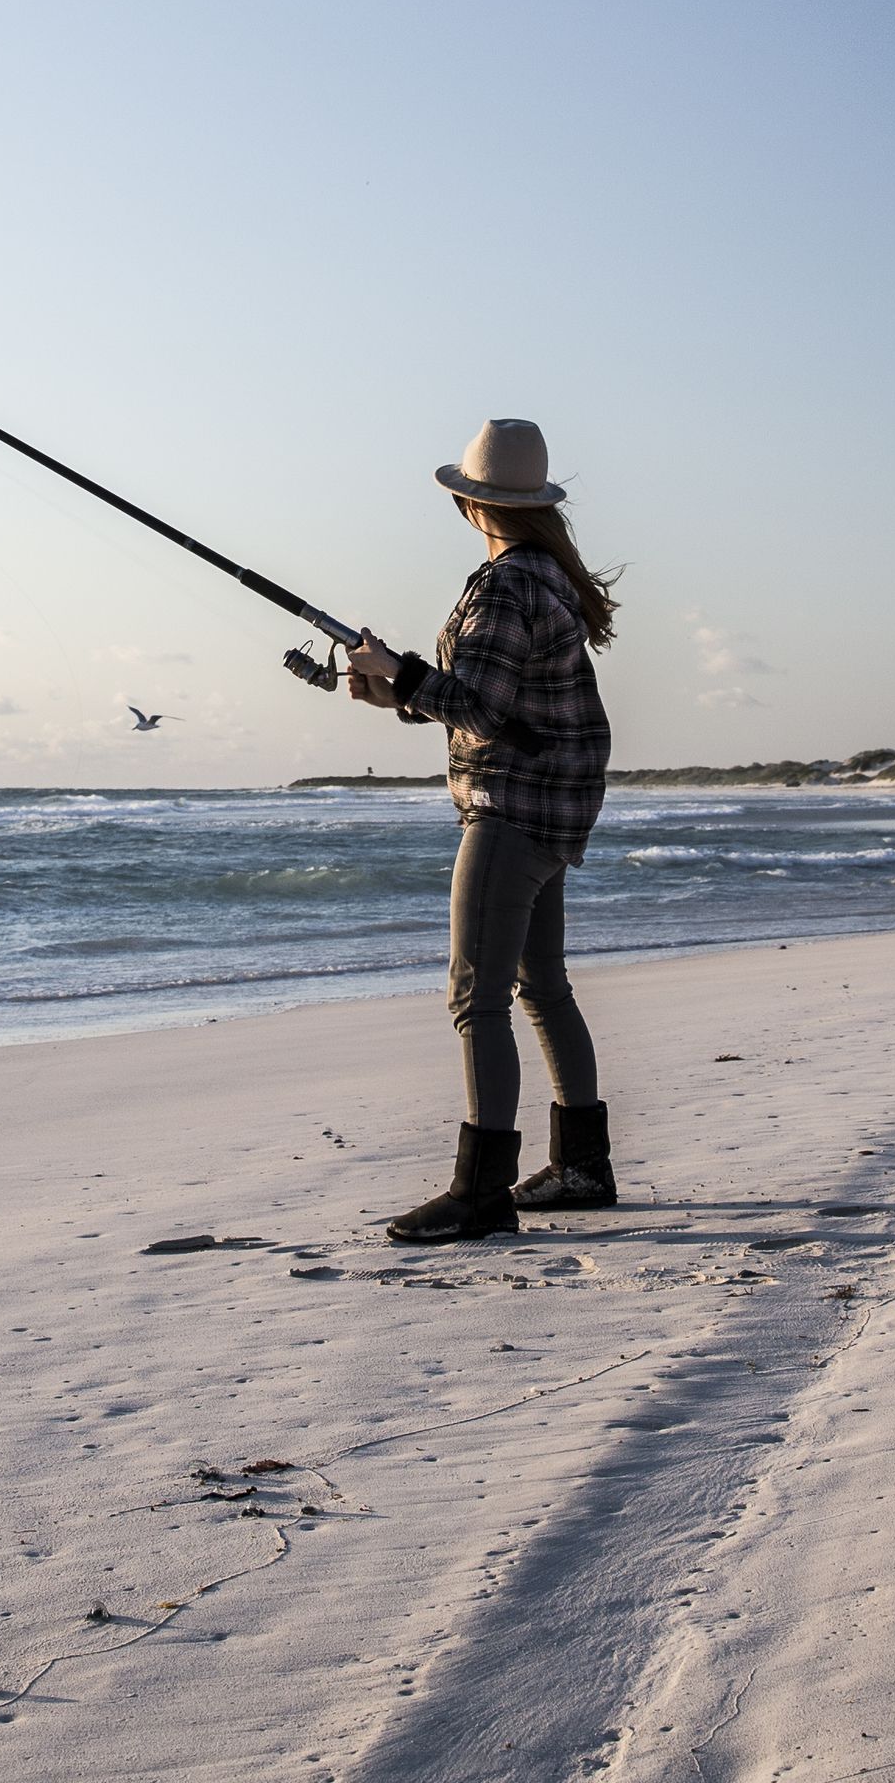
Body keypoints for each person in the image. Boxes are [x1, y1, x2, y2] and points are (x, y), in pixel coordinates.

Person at [344, 418, 621, 1242]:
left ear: (471, 504)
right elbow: (498, 704)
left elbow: (481, 708)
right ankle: (582, 1167)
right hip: (552, 807)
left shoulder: (505, 585)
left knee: (477, 998)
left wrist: (402, 675)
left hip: (510, 811)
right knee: (542, 985)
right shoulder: (546, 576)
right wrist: (398, 691)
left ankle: (481, 1192)